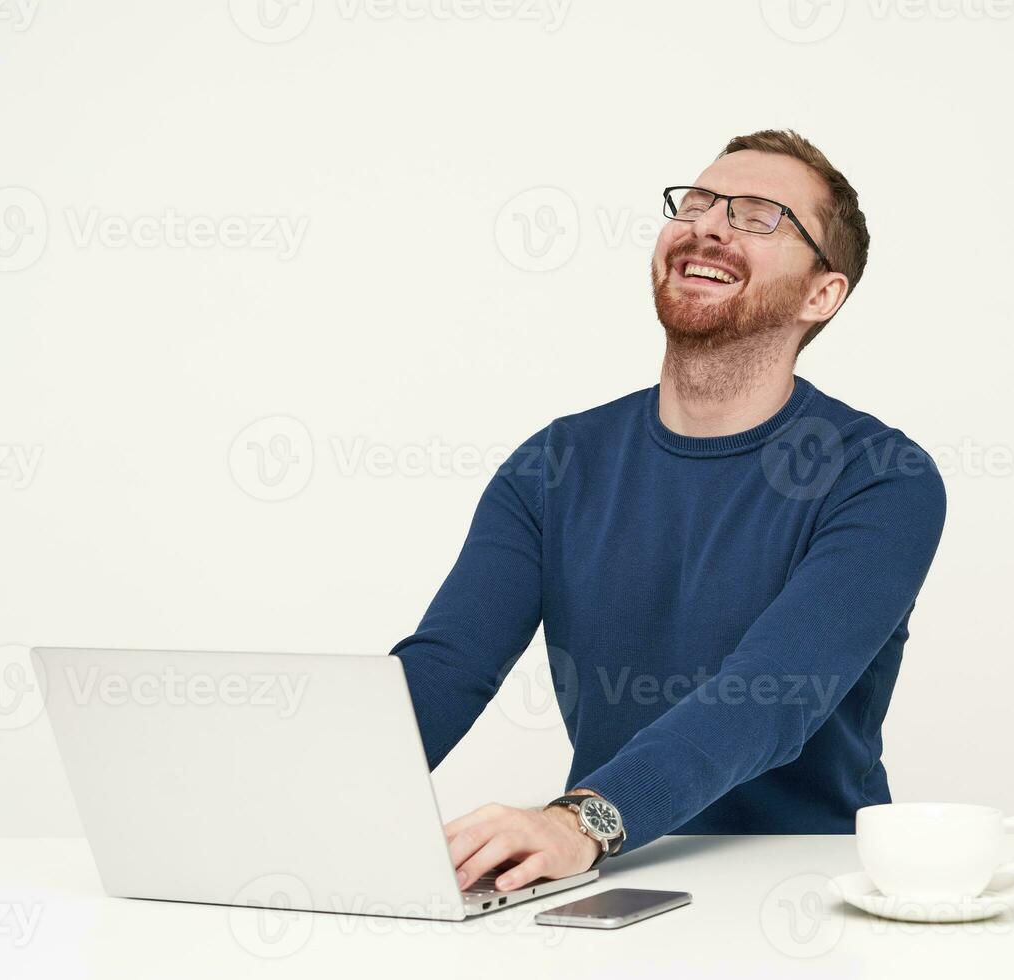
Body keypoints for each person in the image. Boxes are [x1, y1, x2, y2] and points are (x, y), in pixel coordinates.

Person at [390, 130, 947, 893]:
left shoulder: (883, 477)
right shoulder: (554, 465)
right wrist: (307, 802)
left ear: (822, 293)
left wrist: (579, 822)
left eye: (760, 215)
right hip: (612, 882)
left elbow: (768, 697)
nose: (709, 225)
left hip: (808, 887)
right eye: (697, 202)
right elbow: (447, 667)